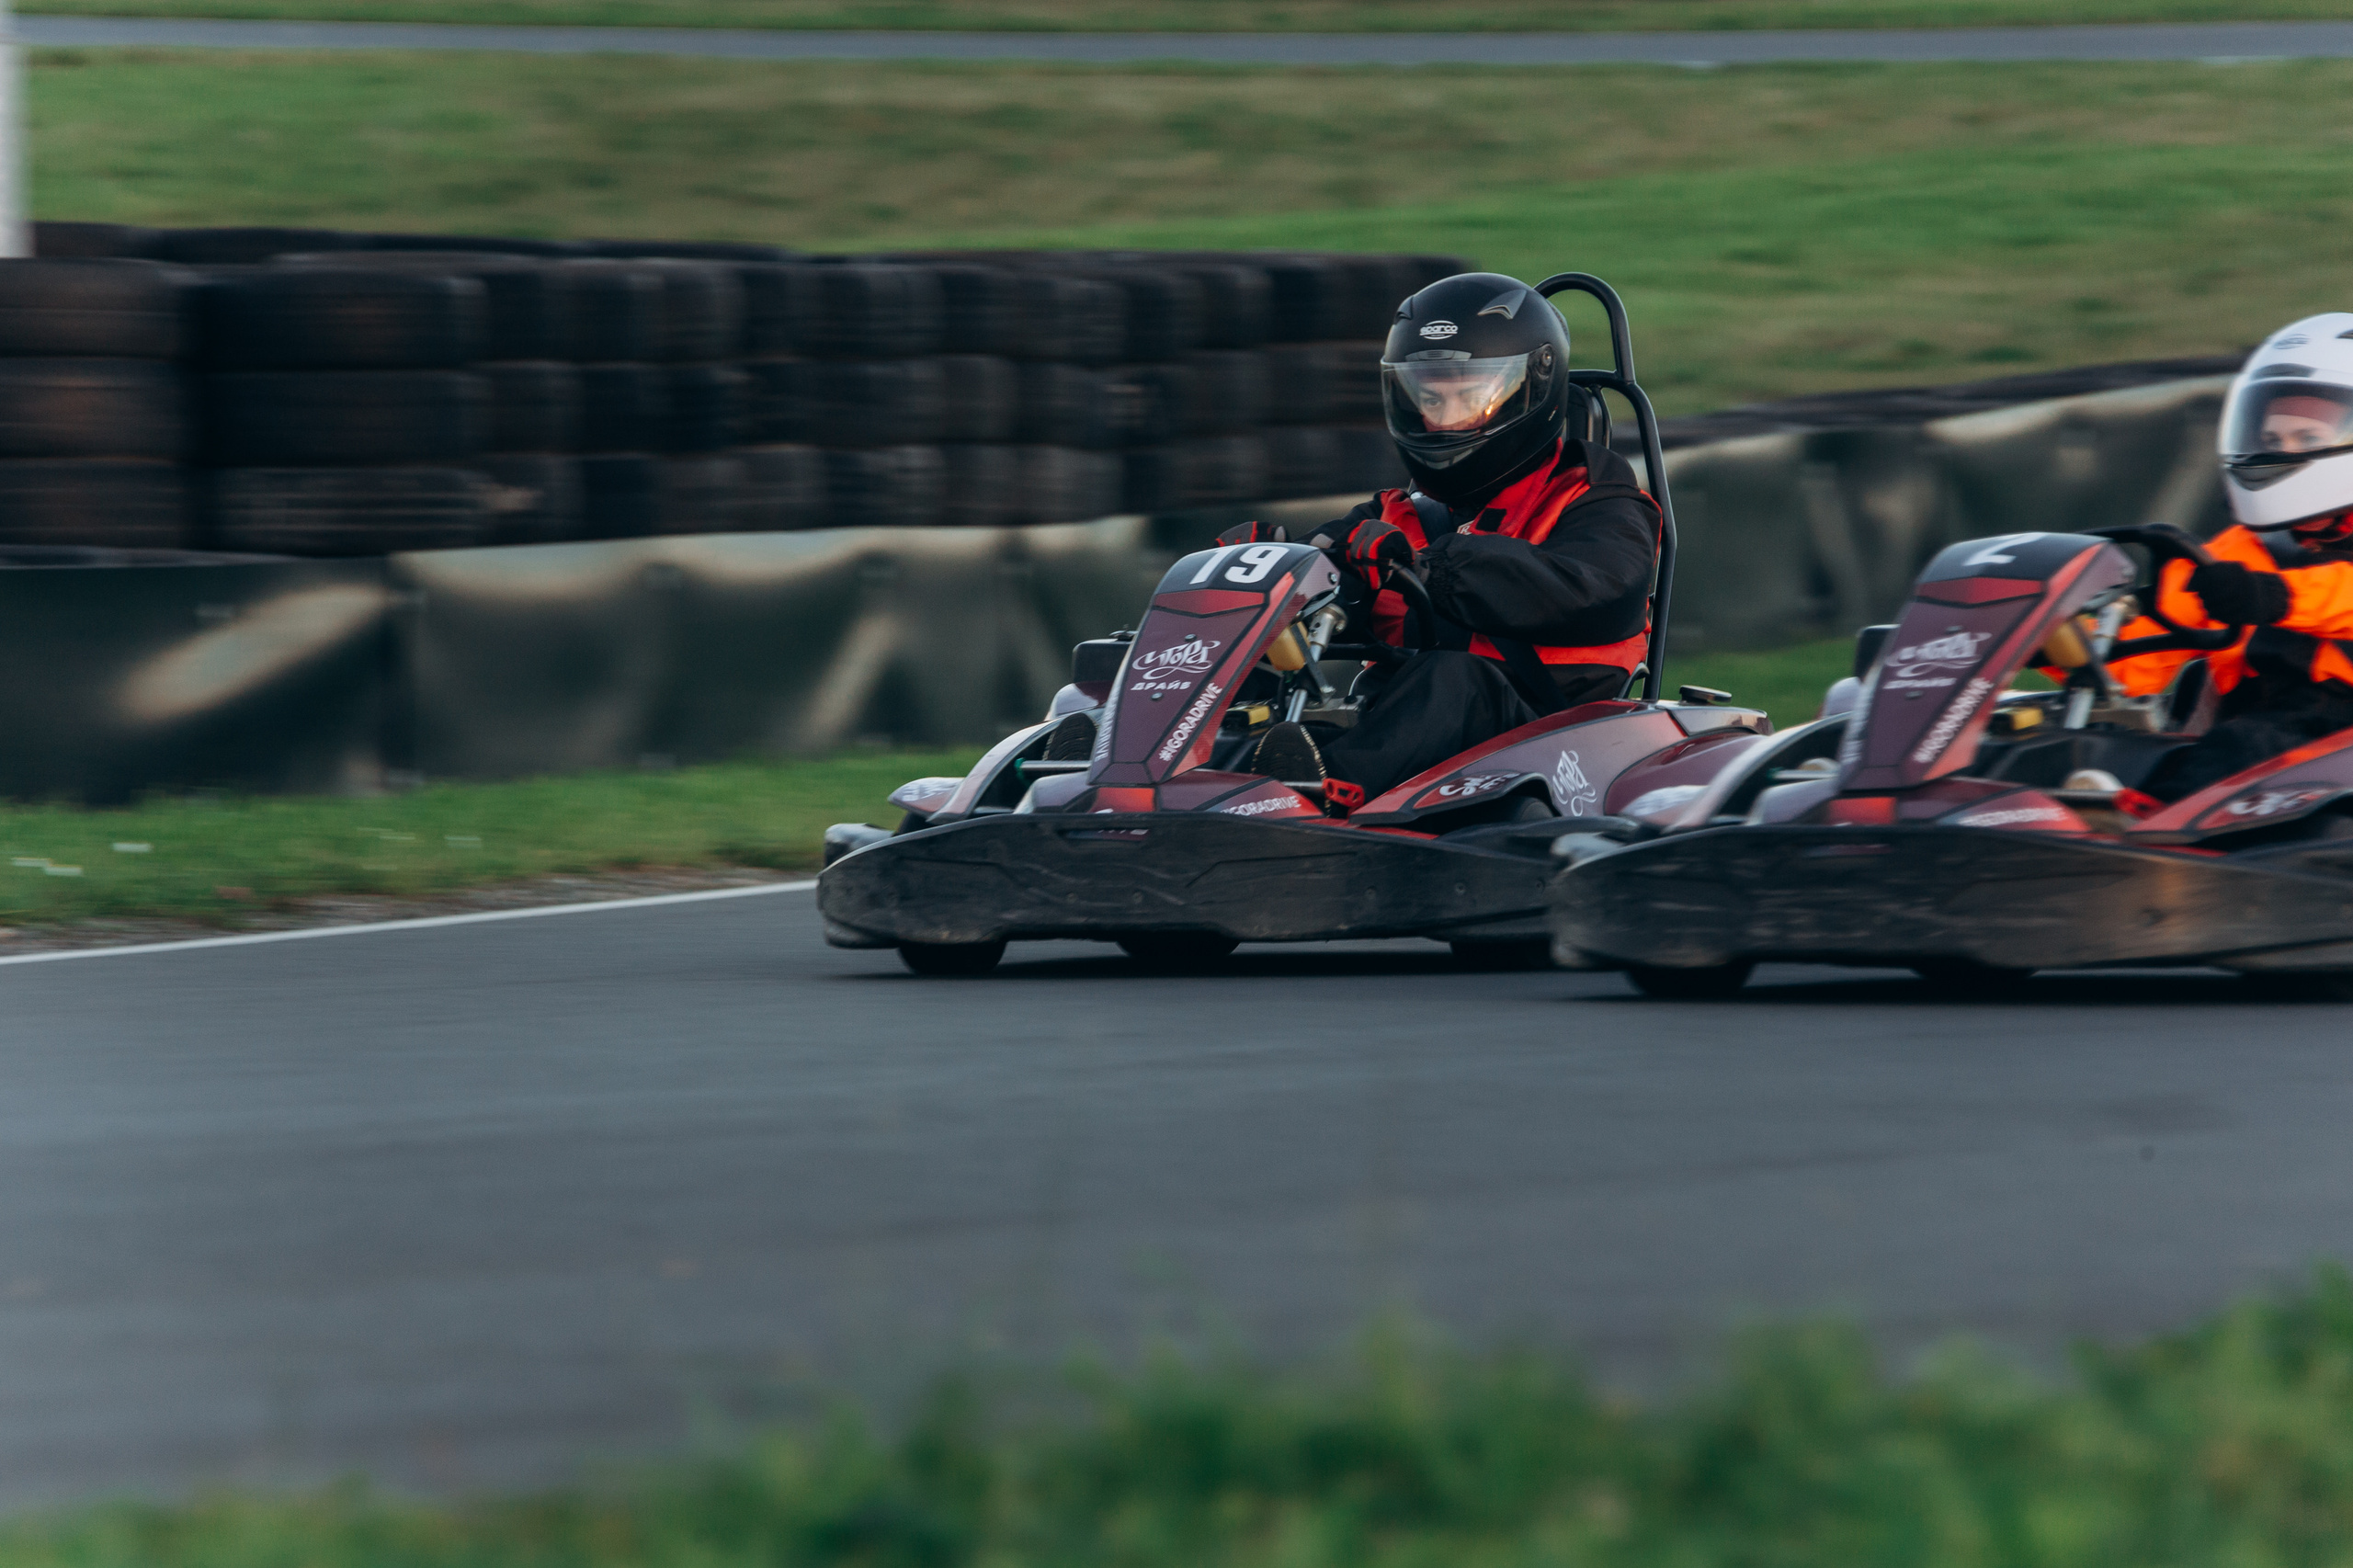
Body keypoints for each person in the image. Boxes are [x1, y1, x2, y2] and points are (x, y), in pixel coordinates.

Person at [1215, 271, 1663, 808]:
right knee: (1260, 669)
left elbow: (1602, 591)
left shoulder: (1597, 503)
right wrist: (1265, 573)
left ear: (1533, 392)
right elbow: (1330, 571)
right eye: (1429, 397)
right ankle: (1180, 778)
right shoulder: (1395, 517)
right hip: (1406, 752)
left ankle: (1313, 800)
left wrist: (1437, 569)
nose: (1446, 420)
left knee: (1452, 678)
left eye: (1470, 398)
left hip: (1548, 743)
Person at [2114, 312, 2353, 801]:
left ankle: (2148, 849)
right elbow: (2141, 661)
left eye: (2307, 439)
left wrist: (2276, 598)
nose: (2280, 453)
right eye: (2270, 440)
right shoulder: (2241, 552)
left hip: (2329, 733)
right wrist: (2059, 643)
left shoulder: (2263, 580)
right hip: (2271, 739)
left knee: (2239, 753)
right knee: (2101, 751)